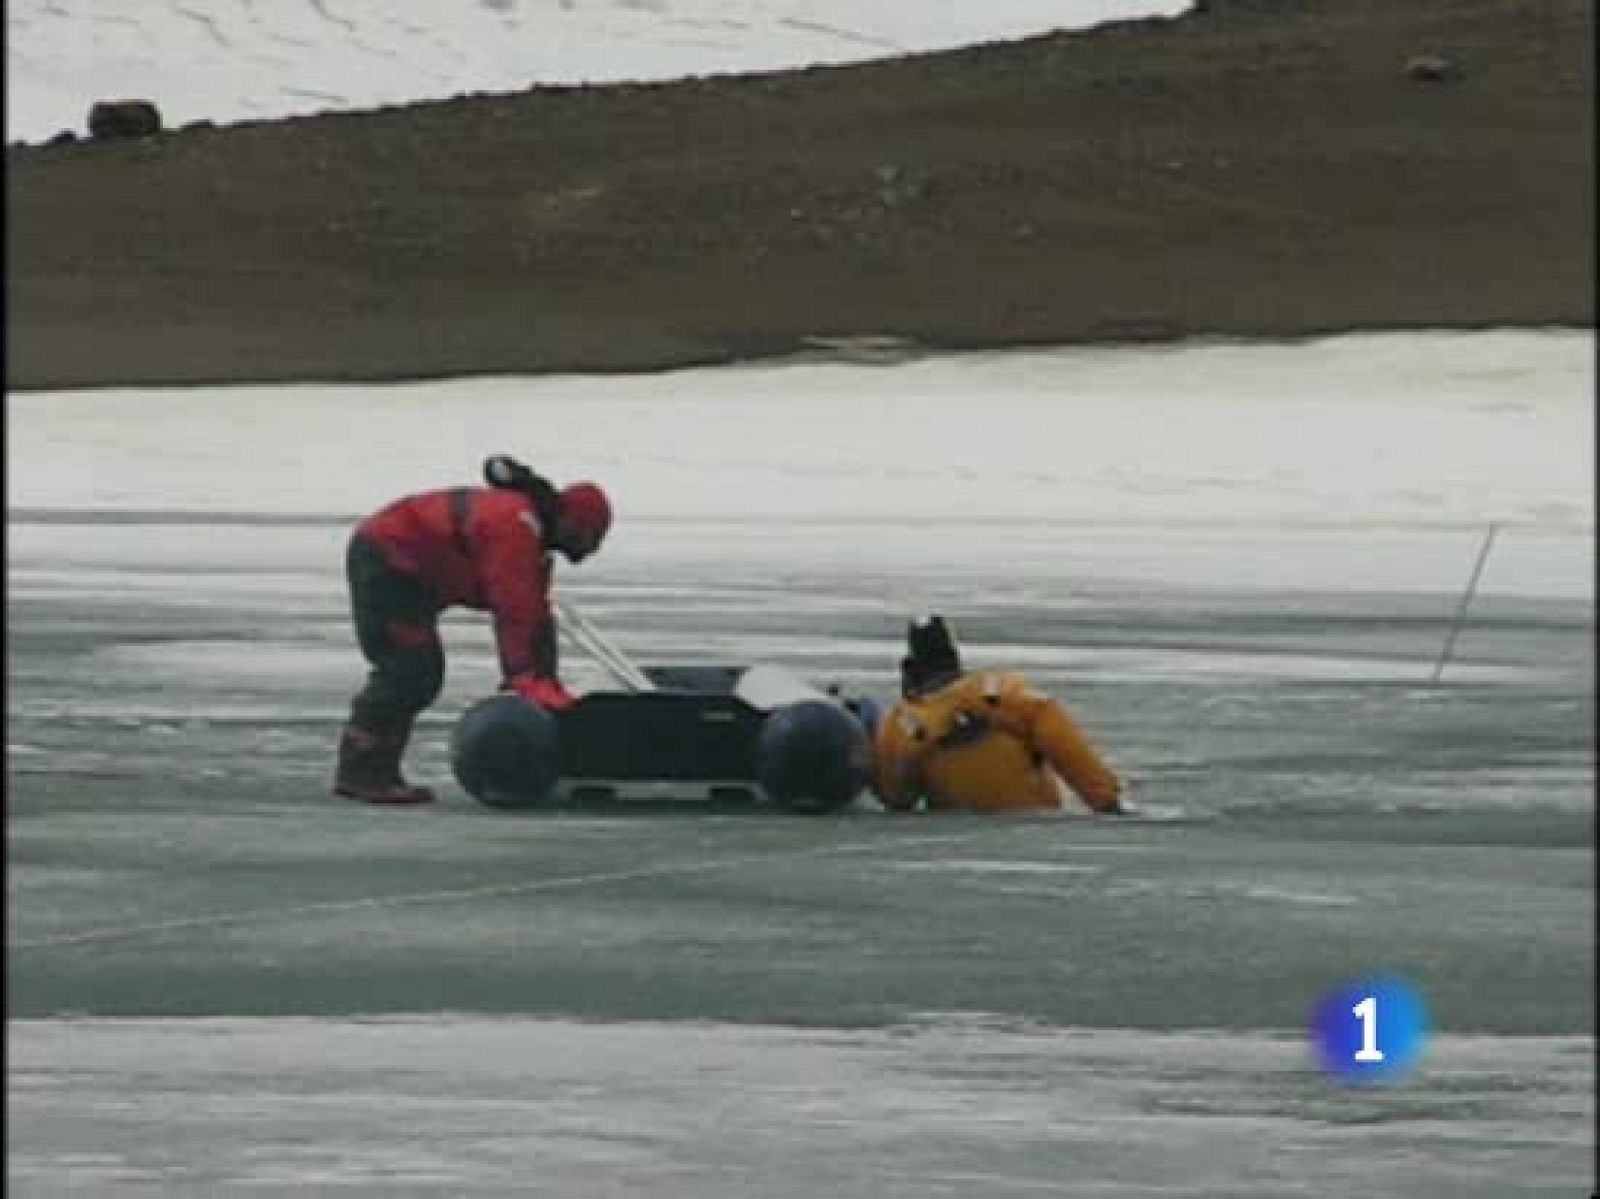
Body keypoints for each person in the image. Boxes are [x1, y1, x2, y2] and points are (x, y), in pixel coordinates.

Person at [333, 455, 613, 804]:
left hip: (408, 568)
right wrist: (525, 679)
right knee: (407, 671)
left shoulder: (533, 539)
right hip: (388, 559)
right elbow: (514, 612)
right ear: (575, 525)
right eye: (589, 540)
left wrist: (545, 683)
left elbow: (536, 617)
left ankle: (375, 772)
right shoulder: (517, 526)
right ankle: (361, 772)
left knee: (416, 673)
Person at [872, 615, 1129, 815]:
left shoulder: (901, 725)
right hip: (1034, 824)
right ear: (954, 658)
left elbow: (897, 798)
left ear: (909, 669)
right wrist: (1107, 802)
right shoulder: (1004, 695)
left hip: (956, 838)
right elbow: (1068, 746)